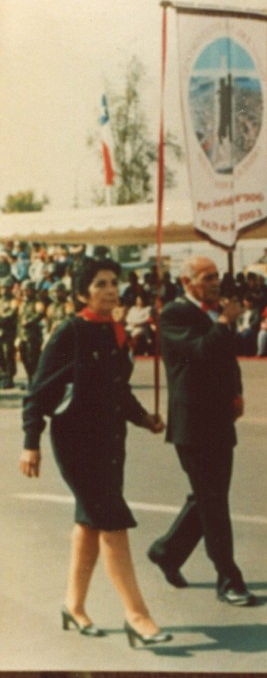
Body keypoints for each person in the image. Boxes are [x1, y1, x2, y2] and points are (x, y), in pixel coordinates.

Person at [19, 258, 171, 648]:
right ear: (83, 292)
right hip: (76, 443)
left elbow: (118, 390)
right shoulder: (70, 331)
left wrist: (144, 419)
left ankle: (74, 605)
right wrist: (30, 442)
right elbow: (37, 392)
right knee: (111, 520)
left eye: (113, 282)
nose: (109, 289)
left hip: (109, 442)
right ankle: (137, 615)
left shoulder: (115, 332)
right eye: (100, 283)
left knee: (90, 522)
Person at [147, 256, 256, 607]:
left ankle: (167, 551)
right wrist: (224, 322)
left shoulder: (213, 313)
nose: (215, 282)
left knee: (208, 497)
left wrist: (236, 391)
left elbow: (227, 359)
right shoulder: (174, 315)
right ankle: (228, 577)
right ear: (187, 282)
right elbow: (200, 354)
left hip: (219, 418)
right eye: (207, 277)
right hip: (192, 424)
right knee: (213, 501)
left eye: (216, 276)